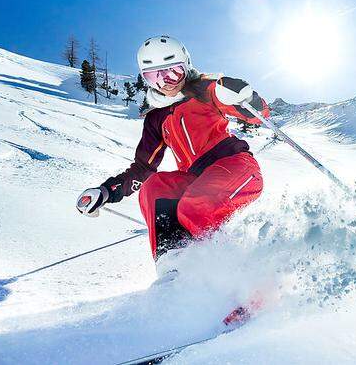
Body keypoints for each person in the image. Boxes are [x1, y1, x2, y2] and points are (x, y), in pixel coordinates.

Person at [76, 36, 269, 261]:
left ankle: (225, 271)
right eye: (154, 76)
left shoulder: (207, 90)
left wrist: (244, 97)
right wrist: (107, 191)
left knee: (194, 206)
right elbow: (142, 169)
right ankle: (174, 268)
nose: (165, 82)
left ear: (186, 66)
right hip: (196, 179)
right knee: (154, 188)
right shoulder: (156, 117)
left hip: (236, 167)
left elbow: (260, 116)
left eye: (172, 72)